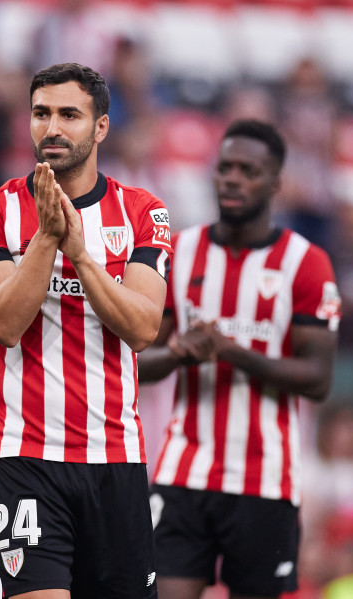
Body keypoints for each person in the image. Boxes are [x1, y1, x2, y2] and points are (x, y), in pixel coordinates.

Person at [0, 62, 173, 599]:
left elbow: (144, 327)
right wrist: (47, 240)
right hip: (23, 456)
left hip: (115, 458)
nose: (51, 128)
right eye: (40, 113)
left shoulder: (144, 212)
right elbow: (3, 324)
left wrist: (80, 253)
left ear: (101, 126)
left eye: (69, 115)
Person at [138, 119, 341, 599]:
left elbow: (318, 379)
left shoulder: (306, 263)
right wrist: (179, 354)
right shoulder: (179, 252)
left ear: (275, 183)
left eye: (248, 170)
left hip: (265, 479)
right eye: (224, 167)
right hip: (183, 470)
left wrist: (231, 352)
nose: (232, 178)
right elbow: (135, 365)